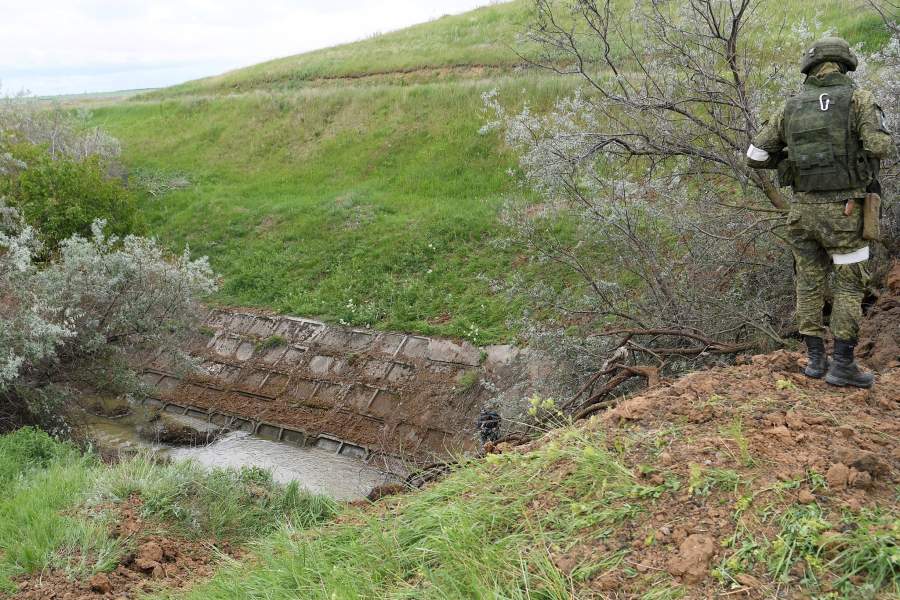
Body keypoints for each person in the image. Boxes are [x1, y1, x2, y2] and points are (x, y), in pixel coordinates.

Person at [746, 37, 894, 389]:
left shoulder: (791, 106)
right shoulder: (858, 100)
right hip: (844, 212)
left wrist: (795, 163)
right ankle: (842, 364)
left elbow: (755, 155)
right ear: (844, 65)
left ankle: (815, 360)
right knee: (848, 286)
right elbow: (880, 146)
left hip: (802, 212)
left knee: (808, 282)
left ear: (810, 68)